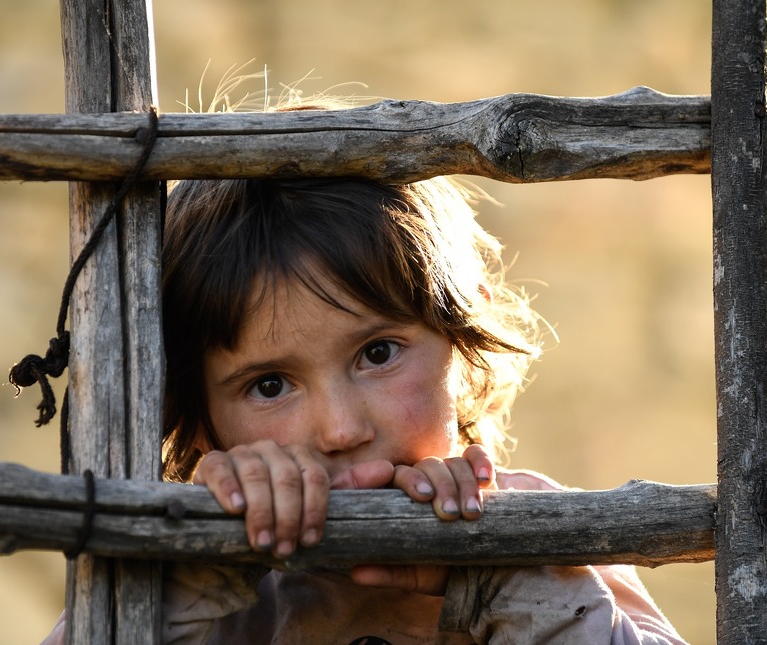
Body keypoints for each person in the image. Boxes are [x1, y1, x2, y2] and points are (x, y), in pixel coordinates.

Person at [45, 102, 686, 644]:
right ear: (201, 422)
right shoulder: (215, 594)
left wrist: (498, 575)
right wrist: (179, 585)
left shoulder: (544, 537)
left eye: (378, 352)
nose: (341, 429)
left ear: (462, 341)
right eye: (269, 385)